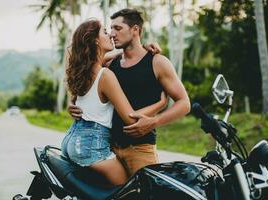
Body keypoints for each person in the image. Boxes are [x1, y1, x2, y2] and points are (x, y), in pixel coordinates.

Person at [68, 8, 191, 177]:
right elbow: (85, 74)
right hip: (108, 148)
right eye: (110, 29)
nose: (112, 33)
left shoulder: (157, 62)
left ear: (135, 30)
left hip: (140, 149)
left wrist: (154, 121)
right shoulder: (111, 63)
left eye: (117, 28)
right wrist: (72, 102)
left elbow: (184, 103)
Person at [61, 19, 168, 186]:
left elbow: (108, 59)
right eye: (105, 31)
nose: (110, 34)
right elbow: (131, 119)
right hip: (91, 144)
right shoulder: (105, 75)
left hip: (71, 140)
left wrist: (139, 50)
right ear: (95, 40)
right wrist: (161, 104)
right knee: (127, 193)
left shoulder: (84, 70)